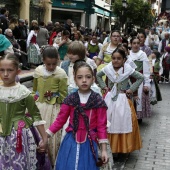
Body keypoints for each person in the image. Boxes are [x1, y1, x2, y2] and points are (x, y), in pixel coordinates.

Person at [42, 61, 108, 170]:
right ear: (75, 80)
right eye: (80, 77)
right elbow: (60, 120)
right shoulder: (70, 99)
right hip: (70, 141)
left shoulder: (97, 101)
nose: (84, 80)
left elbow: (101, 126)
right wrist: (46, 136)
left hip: (89, 142)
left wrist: (104, 149)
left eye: (88, 77)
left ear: (93, 79)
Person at [0, 53, 48, 169]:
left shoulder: (23, 92)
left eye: (10, 70)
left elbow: (35, 115)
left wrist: (44, 138)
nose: (5, 74)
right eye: (2, 70)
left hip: (19, 134)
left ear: (18, 71)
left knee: (19, 162)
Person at [96, 48, 143, 156]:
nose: (116, 61)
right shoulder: (108, 68)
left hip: (122, 99)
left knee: (121, 121)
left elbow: (140, 77)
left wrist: (131, 89)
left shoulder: (128, 69)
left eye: (119, 58)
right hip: (109, 99)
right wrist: (104, 87)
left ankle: (120, 147)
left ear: (124, 60)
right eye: (113, 58)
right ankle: (109, 147)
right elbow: (98, 75)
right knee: (109, 121)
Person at [32, 46, 68, 166]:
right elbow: (35, 89)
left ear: (58, 60)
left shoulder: (61, 73)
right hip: (40, 106)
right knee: (37, 133)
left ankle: (53, 162)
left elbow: (64, 95)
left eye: (54, 64)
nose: (51, 67)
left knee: (52, 134)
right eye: (48, 64)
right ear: (43, 61)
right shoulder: (38, 71)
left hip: (54, 108)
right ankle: (40, 161)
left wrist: (55, 98)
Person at [129, 37, 151, 122]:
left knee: (139, 99)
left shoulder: (143, 54)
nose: (136, 45)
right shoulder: (128, 54)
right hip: (130, 80)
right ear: (131, 44)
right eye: (134, 43)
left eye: (138, 43)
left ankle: (138, 117)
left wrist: (146, 83)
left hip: (139, 80)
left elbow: (146, 70)